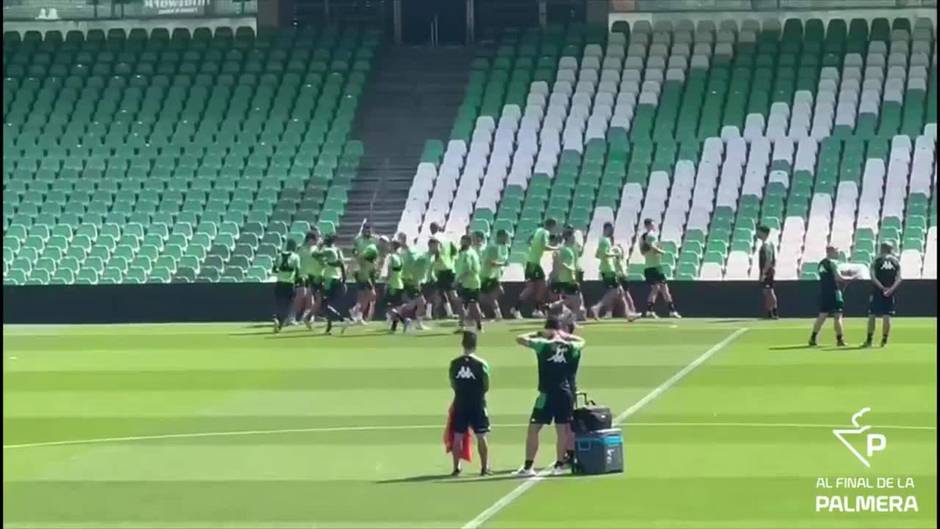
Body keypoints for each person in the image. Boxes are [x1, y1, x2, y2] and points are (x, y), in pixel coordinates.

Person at [515, 317, 584, 477]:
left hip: (546, 394)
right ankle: (559, 465)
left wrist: (539, 333)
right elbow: (582, 341)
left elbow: (520, 339)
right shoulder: (572, 347)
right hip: (565, 393)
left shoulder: (543, 345)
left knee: (534, 429)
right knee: (562, 430)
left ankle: (528, 466)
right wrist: (566, 336)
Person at [447, 330, 492, 476]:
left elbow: (452, 382)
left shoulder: (454, 363)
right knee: (481, 435)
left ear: (462, 344)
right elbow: (486, 384)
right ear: (475, 345)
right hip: (477, 402)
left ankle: (456, 467)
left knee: (458, 435)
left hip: (460, 402)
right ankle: (484, 468)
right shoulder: (481, 363)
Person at [511, 218, 558, 319]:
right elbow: (545, 246)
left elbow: (529, 240)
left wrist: (533, 247)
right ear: (552, 226)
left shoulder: (538, 230)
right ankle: (521, 309)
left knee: (535, 287)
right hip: (534, 264)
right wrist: (557, 248)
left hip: (531, 262)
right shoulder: (545, 232)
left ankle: (530, 309)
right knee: (535, 287)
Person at [809, 246, 856, 347]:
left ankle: (813, 337)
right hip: (834, 292)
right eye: (836, 251)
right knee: (838, 316)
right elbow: (838, 277)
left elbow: (828, 276)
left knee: (822, 316)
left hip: (824, 292)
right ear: (830, 252)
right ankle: (840, 339)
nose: (838, 253)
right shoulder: (833, 263)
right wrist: (851, 278)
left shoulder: (821, 263)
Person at [640, 218, 681, 318]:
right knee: (664, 289)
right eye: (653, 224)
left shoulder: (642, 237)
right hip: (656, 267)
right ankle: (672, 311)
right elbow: (653, 246)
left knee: (655, 289)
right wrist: (661, 251)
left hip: (648, 267)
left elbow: (642, 251)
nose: (655, 226)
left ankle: (650, 311)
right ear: (649, 225)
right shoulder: (651, 235)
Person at [865, 242, 902, 347]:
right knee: (887, 316)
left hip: (877, 291)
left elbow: (872, 276)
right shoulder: (895, 261)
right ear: (891, 249)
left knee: (872, 315)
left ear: (882, 249)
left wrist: (881, 288)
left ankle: (869, 340)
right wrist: (890, 290)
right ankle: (884, 340)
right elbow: (899, 278)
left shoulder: (877, 260)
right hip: (890, 293)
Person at [399, 233, 432, 330]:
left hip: (412, 280)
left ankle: (417, 322)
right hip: (411, 281)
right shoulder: (409, 252)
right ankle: (397, 312)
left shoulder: (412, 252)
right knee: (421, 302)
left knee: (415, 304)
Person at [429, 223, 462, 319]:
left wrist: (436, 259)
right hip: (449, 267)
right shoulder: (446, 238)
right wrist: (451, 260)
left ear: (432, 229)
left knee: (442, 292)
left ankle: (460, 311)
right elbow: (455, 250)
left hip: (440, 268)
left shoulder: (434, 238)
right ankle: (454, 312)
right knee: (447, 292)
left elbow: (436, 250)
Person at [318, 234, 349, 335]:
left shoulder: (328, 250)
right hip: (336, 278)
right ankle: (329, 327)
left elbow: (316, 254)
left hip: (329, 280)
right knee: (326, 305)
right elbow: (341, 263)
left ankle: (342, 320)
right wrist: (344, 278)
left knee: (324, 305)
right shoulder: (337, 250)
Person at [590, 222, 622, 319]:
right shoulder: (605, 240)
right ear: (607, 229)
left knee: (615, 291)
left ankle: (611, 312)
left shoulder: (602, 240)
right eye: (611, 229)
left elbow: (597, 254)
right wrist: (615, 254)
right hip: (608, 268)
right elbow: (605, 254)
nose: (612, 231)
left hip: (606, 267)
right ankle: (598, 307)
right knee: (615, 291)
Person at [350, 222, 379, 324]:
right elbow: (354, 252)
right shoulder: (358, 240)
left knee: (365, 295)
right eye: (366, 229)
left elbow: (377, 253)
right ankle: (357, 311)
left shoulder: (375, 240)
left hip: (370, 269)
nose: (368, 231)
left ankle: (358, 314)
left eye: (369, 229)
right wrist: (359, 258)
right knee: (368, 294)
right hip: (361, 270)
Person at [455, 234, 484, 332]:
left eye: (463, 241)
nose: (461, 243)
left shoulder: (467, 254)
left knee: (472, 305)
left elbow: (467, 269)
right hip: (471, 282)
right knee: (463, 303)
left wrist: (457, 280)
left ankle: (476, 326)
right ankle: (465, 325)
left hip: (469, 283)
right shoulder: (472, 252)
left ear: (468, 242)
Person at [480, 229, 510, 320]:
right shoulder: (493, 247)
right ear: (500, 237)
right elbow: (491, 263)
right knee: (487, 296)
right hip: (487, 275)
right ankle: (496, 314)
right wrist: (503, 264)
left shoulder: (503, 247)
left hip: (494, 276)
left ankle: (496, 314)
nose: (507, 239)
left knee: (494, 294)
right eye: (506, 236)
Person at [272, 239, 301, 333]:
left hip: (279, 283)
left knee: (279, 303)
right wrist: (297, 280)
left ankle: (277, 318)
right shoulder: (296, 257)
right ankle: (280, 323)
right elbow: (298, 271)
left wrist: (281, 272)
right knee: (288, 305)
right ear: (294, 247)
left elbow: (274, 269)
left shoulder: (279, 255)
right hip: (290, 283)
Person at [298, 230, 323, 329]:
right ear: (310, 240)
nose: (316, 241)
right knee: (310, 297)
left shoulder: (315, 249)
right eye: (314, 240)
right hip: (303, 276)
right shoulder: (301, 250)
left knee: (312, 297)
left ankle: (310, 316)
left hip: (312, 275)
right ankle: (307, 317)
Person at [385, 240, 409, 333]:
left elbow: (390, 272)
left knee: (389, 307)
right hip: (399, 283)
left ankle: (404, 321)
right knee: (397, 307)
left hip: (393, 284)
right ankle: (394, 327)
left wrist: (387, 282)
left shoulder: (392, 257)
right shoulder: (400, 257)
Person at [756, 225, 778, 319]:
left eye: (759, 231)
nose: (757, 233)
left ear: (763, 233)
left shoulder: (767, 245)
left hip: (767, 271)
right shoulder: (768, 244)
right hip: (768, 270)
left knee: (769, 291)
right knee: (767, 292)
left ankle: (774, 312)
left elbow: (768, 259)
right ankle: (770, 312)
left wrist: (764, 273)